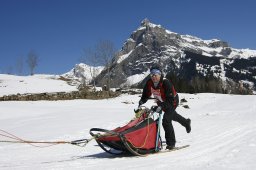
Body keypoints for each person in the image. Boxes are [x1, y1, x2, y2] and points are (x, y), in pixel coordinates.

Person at [138, 65, 191, 150]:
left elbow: (170, 101)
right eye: (151, 74)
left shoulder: (166, 83)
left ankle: (171, 144)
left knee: (166, 120)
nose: (153, 76)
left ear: (160, 74)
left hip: (172, 101)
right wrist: (142, 101)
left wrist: (161, 106)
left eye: (155, 74)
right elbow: (146, 94)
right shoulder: (149, 83)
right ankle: (186, 122)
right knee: (172, 115)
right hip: (161, 101)